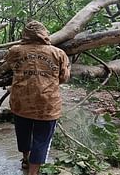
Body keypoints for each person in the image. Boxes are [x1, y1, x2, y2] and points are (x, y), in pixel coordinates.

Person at [4, 21, 71, 175]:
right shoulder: (58, 53)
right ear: (44, 33)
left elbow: (8, 66)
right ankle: (33, 173)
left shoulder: (15, 51)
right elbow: (64, 78)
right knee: (41, 141)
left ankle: (25, 160)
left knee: (23, 134)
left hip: (21, 104)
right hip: (47, 105)